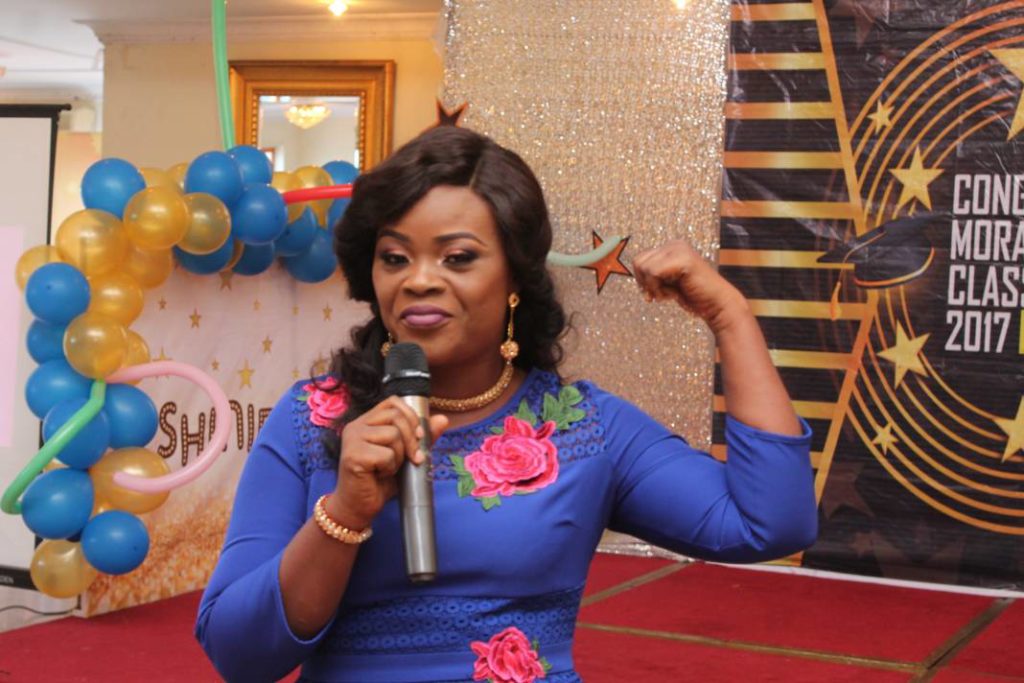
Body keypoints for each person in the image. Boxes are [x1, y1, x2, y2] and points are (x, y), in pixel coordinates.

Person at [195, 126, 817, 683]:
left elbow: (771, 523)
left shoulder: (583, 429)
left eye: (458, 257)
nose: (418, 279)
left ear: (515, 275)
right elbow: (237, 654)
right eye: (395, 258)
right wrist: (343, 516)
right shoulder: (313, 421)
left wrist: (729, 317)